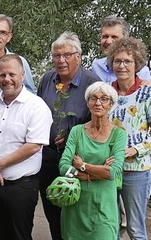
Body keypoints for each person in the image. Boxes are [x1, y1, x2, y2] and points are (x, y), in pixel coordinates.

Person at [0, 54, 53, 240]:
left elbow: (33, 145)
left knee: (19, 236)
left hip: (21, 187)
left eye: (12, 74)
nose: (7, 79)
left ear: (22, 75)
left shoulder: (37, 107)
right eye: (2, 75)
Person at [36, 31, 101, 240]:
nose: (61, 60)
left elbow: (100, 121)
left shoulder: (92, 83)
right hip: (47, 156)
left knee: (75, 211)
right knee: (52, 206)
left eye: (66, 55)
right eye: (56, 55)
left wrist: (74, 136)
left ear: (78, 56)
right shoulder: (47, 79)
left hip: (77, 158)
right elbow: (38, 111)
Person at [59, 82, 126, 240]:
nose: (98, 103)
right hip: (75, 207)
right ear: (87, 102)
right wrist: (96, 172)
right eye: (93, 98)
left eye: (104, 99)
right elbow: (63, 167)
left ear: (111, 104)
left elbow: (112, 172)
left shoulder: (119, 135)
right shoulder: (77, 131)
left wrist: (82, 166)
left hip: (103, 208)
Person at [105, 37, 151, 240]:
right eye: (117, 61)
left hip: (136, 169)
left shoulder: (147, 92)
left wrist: (135, 150)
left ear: (137, 64)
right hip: (108, 168)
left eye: (127, 61)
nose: (122, 65)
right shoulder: (105, 92)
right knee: (110, 225)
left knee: (135, 229)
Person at [90, 15, 151, 83]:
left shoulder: (141, 71)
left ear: (125, 40)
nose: (108, 41)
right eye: (105, 36)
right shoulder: (96, 66)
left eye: (114, 37)